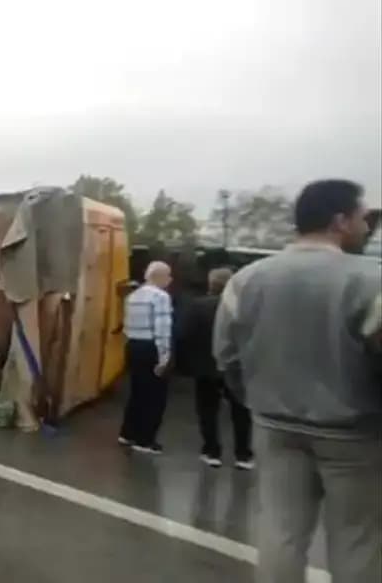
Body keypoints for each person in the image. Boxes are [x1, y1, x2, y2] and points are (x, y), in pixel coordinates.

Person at [213, 179, 381, 583]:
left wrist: (256, 398)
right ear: (340, 221)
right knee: (357, 539)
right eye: (362, 217)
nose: (366, 226)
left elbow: (226, 356)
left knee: (280, 533)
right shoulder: (370, 280)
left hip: (274, 426)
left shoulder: (245, 280)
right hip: (354, 433)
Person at [180, 267, 253, 469]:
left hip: (205, 367)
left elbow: (186, 334)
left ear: (210, 284)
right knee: (240, 412)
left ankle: (211, 451)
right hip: (234, 366)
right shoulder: (241, 308)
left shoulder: (197, 306)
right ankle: (243, 455)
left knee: (207, 410)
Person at [119, 261, 173, 455]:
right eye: (168, 276)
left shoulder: (132, 296)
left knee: (137, 392)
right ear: (159, 276)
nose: (170, 280)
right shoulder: (160, 297)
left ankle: (127, 433)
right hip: (151, 347)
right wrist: (164, 357)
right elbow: (162, 328)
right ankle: (145, 440)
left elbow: (126, 325)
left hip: (133, 345)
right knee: (155, 397)